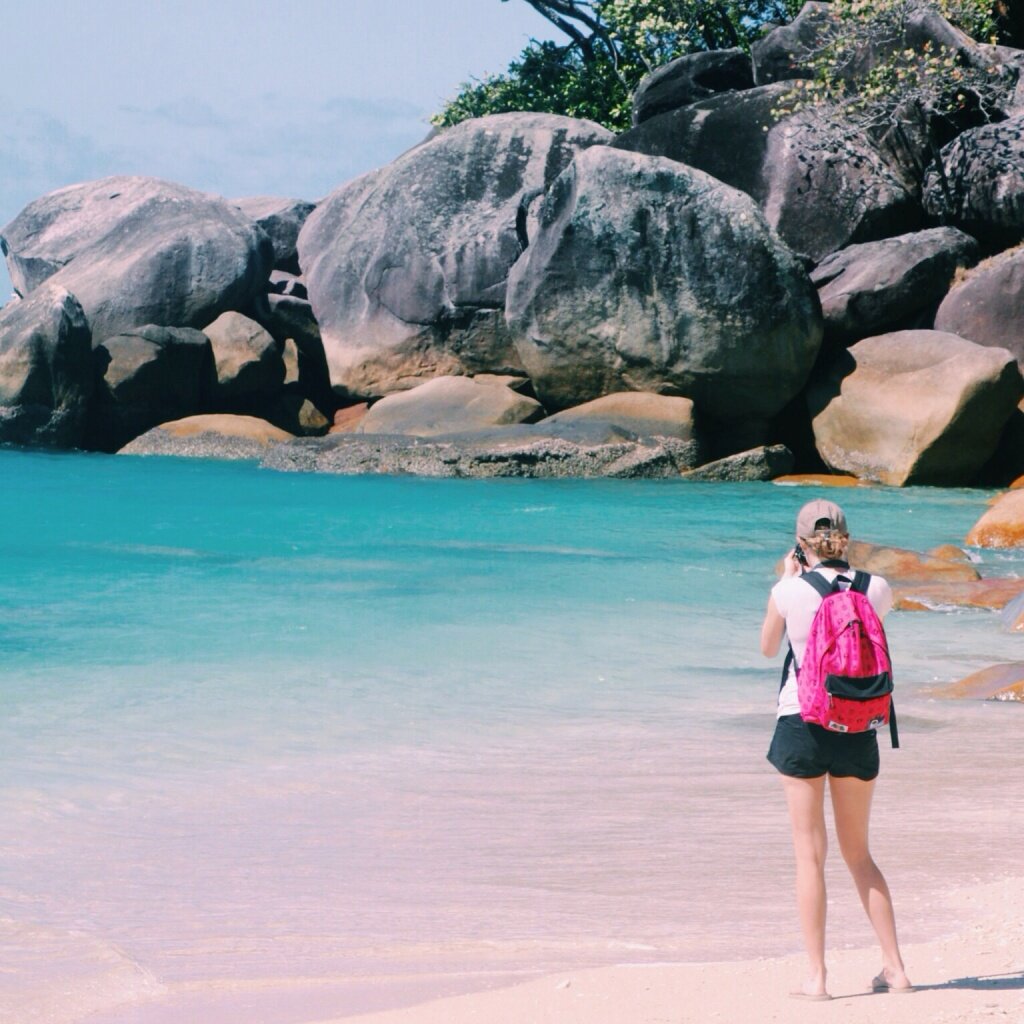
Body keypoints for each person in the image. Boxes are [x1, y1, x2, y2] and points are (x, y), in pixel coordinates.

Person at [760, 499, 912, 1000]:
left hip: (802, 724)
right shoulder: (878, 588)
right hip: (858, 727)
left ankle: (818, 979)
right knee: (860, 855)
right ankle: (896, 969)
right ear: (846, 537)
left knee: (810, 856)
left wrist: (787, 576)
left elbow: (767, 648)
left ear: (802, 542)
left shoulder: (788, 590)